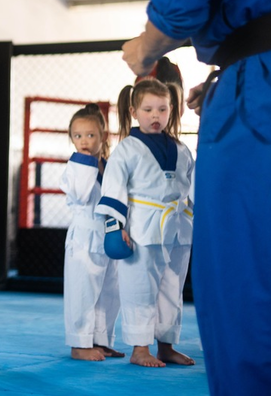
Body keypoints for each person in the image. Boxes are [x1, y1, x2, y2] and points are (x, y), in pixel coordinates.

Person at [111, 0, 271, 391]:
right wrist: (228, 67)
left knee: (242, 270)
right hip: (250, 69)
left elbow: (179, 4)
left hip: (258, 97)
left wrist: (145, 50)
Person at [95, 78, 194, 368]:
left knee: (172, 287)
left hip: (177, 226)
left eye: (162, 109)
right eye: (148, 109)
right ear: (134, 111)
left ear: (171, 110)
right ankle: (140, 348)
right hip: (141, 227)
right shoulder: (127, 148)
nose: (155, 115)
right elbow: (113, 188)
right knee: (139, 286)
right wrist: (115, 227)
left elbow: (193, 187)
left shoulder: (182, 148)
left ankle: (166, 345)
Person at [60, 103, 123, 361]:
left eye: (90, 135)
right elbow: (81, 194)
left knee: (109, 291)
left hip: (107, 237)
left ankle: (101, 339)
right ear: (71, 138)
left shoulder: (108, 167)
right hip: (84, 238)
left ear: (103, 137)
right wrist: (87, 162)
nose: (83, 141)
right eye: (77, 135)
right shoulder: (76, 166)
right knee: (83, 291)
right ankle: (79, 343)